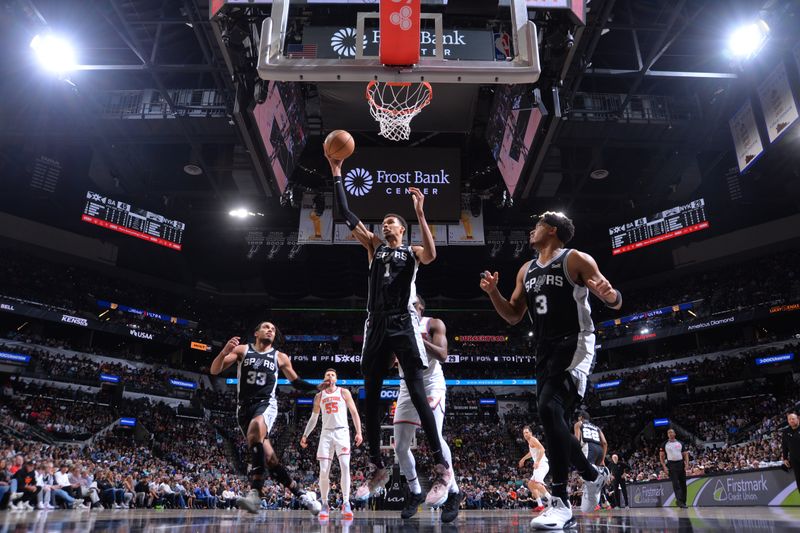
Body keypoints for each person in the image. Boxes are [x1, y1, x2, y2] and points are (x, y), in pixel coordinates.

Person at [480, 211, 621, 529]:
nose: (531, 230)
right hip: (543, 350)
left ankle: (560, 502)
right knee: (553, 419)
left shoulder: (576, 259)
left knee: (548, 407)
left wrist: (610, 295)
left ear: (553, 230)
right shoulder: (526, 269)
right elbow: (514, 315)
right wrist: (493, 294)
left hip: (575, 343)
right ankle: (592, 475)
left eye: (537, 225)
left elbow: (615, 300)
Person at [328, 154, 452, 506]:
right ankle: (376, 466)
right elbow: (346, 215)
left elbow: (431, 253)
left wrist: (421, 212)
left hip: (403, 322)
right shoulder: (373, 247)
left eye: (391, 223)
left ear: (402, 228)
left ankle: (442, 468)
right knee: (370, 392)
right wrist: (337, 172)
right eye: (382, 223)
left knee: (415, 390)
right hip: (376, 323)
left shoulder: (411, 253)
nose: (385, 226)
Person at [210, 321, 324, 515]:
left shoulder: (280, 357)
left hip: (266, 404)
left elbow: (295, 382)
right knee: (270, 458)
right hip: (243, 409)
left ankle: (255, 493)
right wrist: (223, 352)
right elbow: (214, 370)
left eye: (273, 329)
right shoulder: (242, 350)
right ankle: (302, 494)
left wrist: (316, 387)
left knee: (256, 427)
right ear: (256, 333)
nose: (271, 330)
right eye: (266, 327)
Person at [393, 294, 462, 523]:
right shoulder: (395, 326)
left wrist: (415, 338)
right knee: (401, 446)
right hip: (405, 385)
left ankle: (453, 492)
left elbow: (443, 355)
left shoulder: (433, 323)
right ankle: (415, 490)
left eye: (411, 306)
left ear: (420, 308)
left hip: (431, 385)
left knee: (436, 436)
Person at [301, 368, 363, 520]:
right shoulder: (319, 396)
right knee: (323, 470)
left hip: (342, 432)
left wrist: (359, 432)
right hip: (326, 433)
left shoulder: (344, 392)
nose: (330, 376)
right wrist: (305, 434)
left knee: (345, 465)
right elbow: (314, 418)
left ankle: (346, 502)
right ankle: (324, 504)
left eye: (333, 374)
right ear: (324, 378)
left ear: (336, 378)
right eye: (327, 374)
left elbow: (354, 412)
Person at [574, 410, 609, 510]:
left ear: (580, 418)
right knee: (597, 479)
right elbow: (605, 442)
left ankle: (595, 503)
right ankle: (605, 501)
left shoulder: (578, 424)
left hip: (588, 448)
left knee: (587, 476)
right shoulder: (596, 427)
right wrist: (602, 459)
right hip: (599, 449)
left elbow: (577, 441)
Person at [518, 426, 550, 512]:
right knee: (530, 484)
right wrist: (523, 459)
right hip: (539, 465)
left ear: (531, 433)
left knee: (536, 484)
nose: (525, 434)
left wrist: (537, 461)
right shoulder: (530, 442)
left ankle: (552, 501)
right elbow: (531, 453)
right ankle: (540, 505)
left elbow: (542, 449)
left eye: (527, 432)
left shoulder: (533, 439)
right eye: (524, 433)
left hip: (541, 464)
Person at [659, 428, 689, 508]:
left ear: (675, 434)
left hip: (681, 463)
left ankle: (683, 501)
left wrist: (687, 464)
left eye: (671, 432)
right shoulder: (664, 444)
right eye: (668, 433)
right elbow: (661, 457)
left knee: (683, 484)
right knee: (676, 484)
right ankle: (679, 501)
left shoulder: (680, 443)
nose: (670, 434)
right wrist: (664, 467)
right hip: (671, 465)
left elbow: (685, 454)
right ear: (667, 435)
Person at [781, 411, 800, 496]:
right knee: (799, 480)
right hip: (795, 459)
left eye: (793, 419)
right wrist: (785, 458)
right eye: (789, 419)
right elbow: (784, 446)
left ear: (798, 419)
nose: (791, 421)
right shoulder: (786, 432)